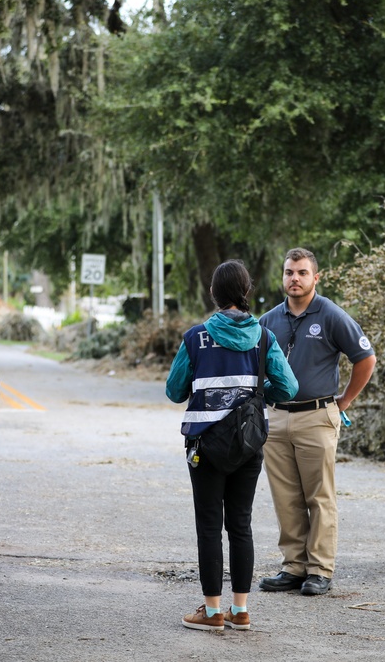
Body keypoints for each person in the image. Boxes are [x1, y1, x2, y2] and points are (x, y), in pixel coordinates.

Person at [166, 260, 299, 631]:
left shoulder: (196, 338)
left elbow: (174, 390)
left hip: (205, 446)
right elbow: (289, 388)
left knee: (209, 526)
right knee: (241, 525)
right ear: (247, 290)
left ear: (214, 293)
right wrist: (256, 395)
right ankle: (240, 610)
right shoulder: (264, 337)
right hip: (248, 444)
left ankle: (211, 613)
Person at [257, 248, 377, 596]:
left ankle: (320, 569)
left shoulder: (331, 315)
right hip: (277, 417)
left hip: (317, 416)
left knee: (318, 497)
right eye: (289, 272)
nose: (294, 278)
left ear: (315, 277)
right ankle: (294, 566)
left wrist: (345, 401)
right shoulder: (269, 320)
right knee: (285, 496)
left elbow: (365, 359)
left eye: (302, 273)